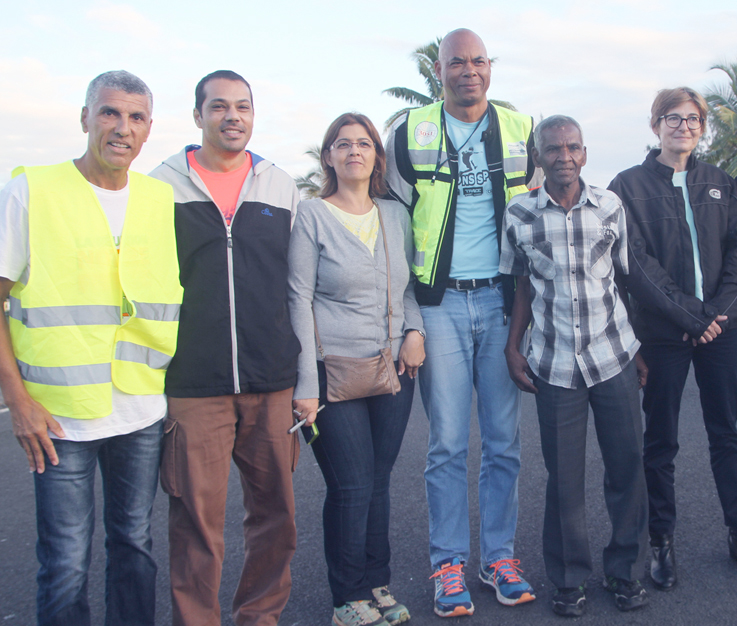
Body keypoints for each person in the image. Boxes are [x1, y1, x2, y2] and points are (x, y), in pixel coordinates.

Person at [0, 70, 182, 625]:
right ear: (85, 118)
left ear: (149, 130)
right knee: (66, 563)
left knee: (134, 545)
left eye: (135, 117)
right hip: (59, 420)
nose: (121, 128)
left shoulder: (158, 198)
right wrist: (20, 403)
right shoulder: (31, 189)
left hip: (141, 411)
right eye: (109, 112)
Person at [384, 28, 536, 616]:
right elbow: (395, 230)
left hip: (501, 305)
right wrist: (409, 319)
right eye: (456, 62)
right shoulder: (409, 131)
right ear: (438, 71)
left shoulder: (520, 129)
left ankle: (499, 556)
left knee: (503, 441)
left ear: (489, 68)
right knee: (446, 443)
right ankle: (447, 563)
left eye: (478, 61)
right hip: (440, 304)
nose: (468, 71)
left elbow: (540, 217)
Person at [150, 70, 302, 625]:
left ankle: (259, 616)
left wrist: (302, 378)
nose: (232, 116)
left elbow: (297, 284)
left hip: (271, 380)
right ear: (198, 117)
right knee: (195, 522)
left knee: (276, 517)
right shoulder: (158, 186)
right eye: (219, 107)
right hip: (193, 384)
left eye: (242, 106)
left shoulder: (281, 185)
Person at [608, 87, 737, 586]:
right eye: (672, 118)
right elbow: (635, 265)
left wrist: (715, 316)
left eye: (693, 118)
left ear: (702, 127)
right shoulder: (627, 186)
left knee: (727, 435)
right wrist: (691, 317)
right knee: (661, 442)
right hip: (664, 334)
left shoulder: (720, 181)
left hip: (718, 332)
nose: (684, 126)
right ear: (655, 125)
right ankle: (662, 541)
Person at [502, 115, 649, 617]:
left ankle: (625, 571)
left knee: (627, 469)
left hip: (613, 357)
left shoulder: (609, 206)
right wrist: (512, 345)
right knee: (564, 479)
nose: (563, 156)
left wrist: (640, 347)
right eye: (553, 148)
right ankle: (569, 579)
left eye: (572, 147)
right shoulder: (519, 213)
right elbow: (520, 284)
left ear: (584, 154)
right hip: (555, 362)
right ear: (537, 156)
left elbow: (623, 277)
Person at [287, 113, 425, 626]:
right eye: (342, 144)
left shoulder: (394, 214)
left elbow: (409, 285)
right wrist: (304, 385)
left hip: (392, 369)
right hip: (331, 372)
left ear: (375, 156)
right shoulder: (312, 215)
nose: (353, 152)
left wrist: (415, 331)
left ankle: (376, 583)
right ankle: (347, 596)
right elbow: (297, 298)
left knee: (380, 480)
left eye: (363, 143)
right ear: (328, 157)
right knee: (350, 485)